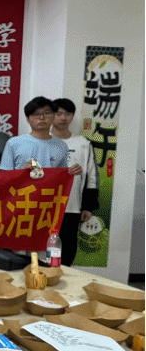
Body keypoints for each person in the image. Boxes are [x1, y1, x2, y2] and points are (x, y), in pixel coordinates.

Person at [52, 98, 100, 265]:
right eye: (58, 113)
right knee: (43, 244)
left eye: (67, 114)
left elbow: (92, 176)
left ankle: (63, 274)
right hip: (45, 205)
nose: (63, 118)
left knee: (68, 246)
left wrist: (88, 206)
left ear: (72, 116)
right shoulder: (42, 141)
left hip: (72, 205)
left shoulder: (83, 144)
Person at [0, 97, 83, 176]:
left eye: (47, 113)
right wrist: (22, 171)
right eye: (36, 114)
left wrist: (72, 171)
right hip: (22, 187)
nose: (41, 117)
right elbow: (4, 175)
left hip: (49, 187)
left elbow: (61, 175)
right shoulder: (13, 143)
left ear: (53, 116)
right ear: (28, 119)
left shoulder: (61, 145)